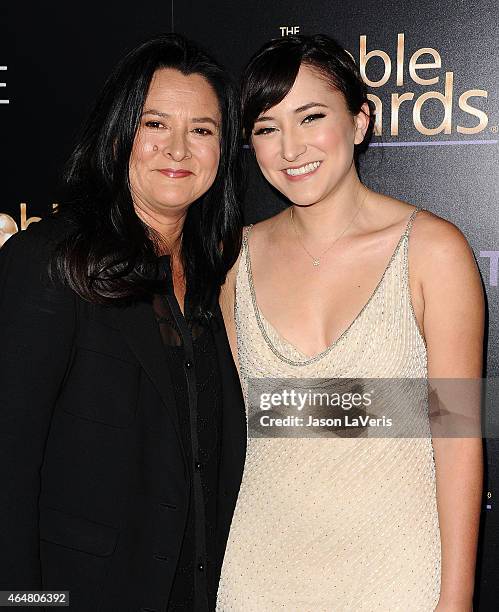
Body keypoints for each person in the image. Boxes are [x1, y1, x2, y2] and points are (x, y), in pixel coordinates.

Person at [217, 35, 483, 611]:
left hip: (399, 573)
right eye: (266, 128)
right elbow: (249, 425)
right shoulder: (233, 261)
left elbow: (457, 435)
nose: (291, 148)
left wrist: (456, 596)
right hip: (260, 570)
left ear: (360, 122)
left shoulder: (433, 250)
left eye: (311, 117)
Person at [0, 33, 246, 612]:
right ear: (118, 132)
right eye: (155, 124)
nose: (178, 150)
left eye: (202, 130)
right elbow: (7, 468)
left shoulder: (222, 273)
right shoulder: (52, 260)